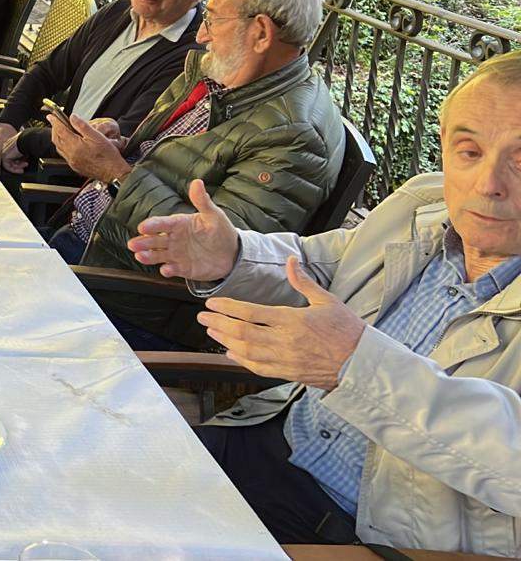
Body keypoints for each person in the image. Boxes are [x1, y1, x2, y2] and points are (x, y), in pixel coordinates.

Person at [126, 51, 521, 553]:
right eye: (469, 151)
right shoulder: (423, 204)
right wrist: (234, 255)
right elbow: (322, 266)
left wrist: (356, 365)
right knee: (74, 482)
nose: (488, 185)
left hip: (366, 533)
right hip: (268, 437)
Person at [50, 0, 346, 349]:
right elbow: (169, 160)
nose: (202, 34)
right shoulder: (223, 77)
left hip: (130, 301)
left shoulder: (293, 134)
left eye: (212, 19)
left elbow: (215, 255)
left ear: (260, 33)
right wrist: (121, 143)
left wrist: (115, 172)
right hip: (89, 246)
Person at [0, 0, 220, 177]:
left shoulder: (192, 57)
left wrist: (26, 141)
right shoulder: (118, 13)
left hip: (70, 187)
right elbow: (47, 72)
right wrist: (6, 123)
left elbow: (118, 141)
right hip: (40, 158)